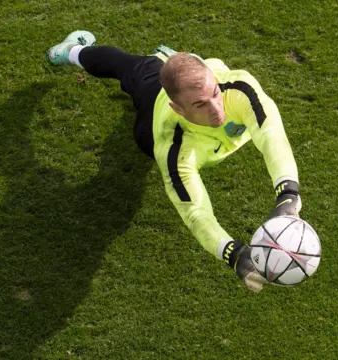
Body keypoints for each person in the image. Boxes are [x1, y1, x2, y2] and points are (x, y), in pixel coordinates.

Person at [45, 31, 302, 292]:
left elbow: (271, 134)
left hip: (201, 88)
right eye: (200, 104)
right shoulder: (173, 149)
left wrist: (288, 193)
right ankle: (71, 52)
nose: (216, 110)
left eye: (214, 93)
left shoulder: (239, 88)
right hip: (151, 119)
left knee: (178, 66)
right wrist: (232, 253)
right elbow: (195, 212)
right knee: (132, 68)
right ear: (179, 108)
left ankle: (174, 60)